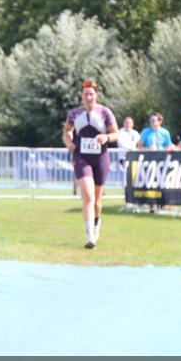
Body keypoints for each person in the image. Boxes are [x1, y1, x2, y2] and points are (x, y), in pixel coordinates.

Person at [62, 79, 119, 249]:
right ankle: (90, 237)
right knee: (88, 196)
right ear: (82, 96)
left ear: (96, 95)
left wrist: (106, 137)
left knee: (97, 200)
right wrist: (68, 142)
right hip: (81, 157)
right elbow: (67, 130)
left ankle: (96, 223)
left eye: (91, 94)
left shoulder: (105, 112)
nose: (89, 97)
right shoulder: (74, 113)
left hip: (100, 157)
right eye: (86, 94)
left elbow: (117, 134)